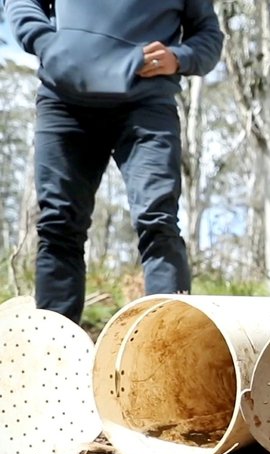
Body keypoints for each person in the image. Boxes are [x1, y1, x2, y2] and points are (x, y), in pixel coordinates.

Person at [5, 0, 224, 324]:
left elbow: (208, 35)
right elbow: (22, 3)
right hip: (64, 103)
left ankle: (169, 348)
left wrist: (179, 57)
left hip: (146, 107)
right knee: (58, 225)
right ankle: (55, 354)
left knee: (158, 222)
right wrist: (46, 41)